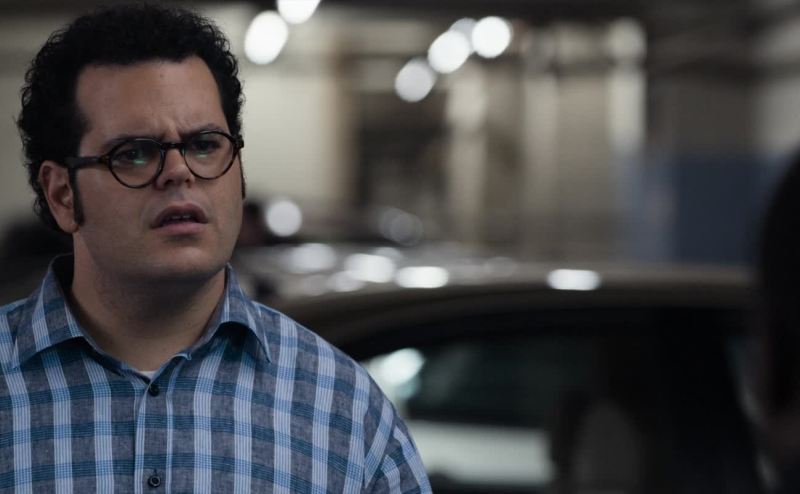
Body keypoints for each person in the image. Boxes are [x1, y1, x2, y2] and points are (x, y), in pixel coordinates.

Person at [4, 4, 431, 492]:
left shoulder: (344, 410)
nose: (179, 172)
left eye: (205, 144)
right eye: (134, 153)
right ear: (63, 195)